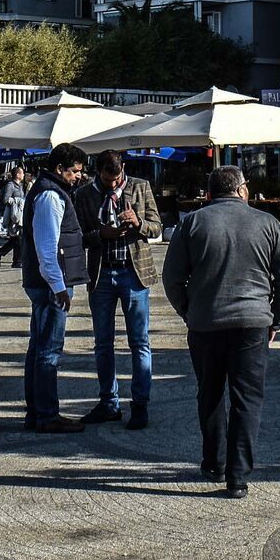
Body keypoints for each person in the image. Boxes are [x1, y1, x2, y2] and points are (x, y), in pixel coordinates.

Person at [161, 165, 280, 498]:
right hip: (253, 324)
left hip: (205, 323)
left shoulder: (191, 224)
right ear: (242, 190)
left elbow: (172, 278)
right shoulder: (268, 224)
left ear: (209, 193)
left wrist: (188, 311)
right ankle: (238, 478)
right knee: (247, 399)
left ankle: (213, 462)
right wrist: (274, 320)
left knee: (209, 394)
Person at [74, 150, 162, 429]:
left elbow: (157, 226)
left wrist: (139, 223)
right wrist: (101, 234)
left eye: (117, 178)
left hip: (133, 273)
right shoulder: (85, 195)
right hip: (101, 275)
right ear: (97, 172)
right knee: (103, 343)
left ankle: (140, 404)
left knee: (139, 342)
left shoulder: (140, 187)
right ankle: (108, 402)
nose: (113, 184)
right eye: (107, 179)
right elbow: (77, 236)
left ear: (123, 169)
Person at [20, 144, 89, 433]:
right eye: (74, 171)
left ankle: (37, 412)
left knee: (39, 348)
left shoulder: (49, 190)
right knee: (48, 350)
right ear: (60, 168)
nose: (78, 177)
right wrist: (59, 287)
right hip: (50, 284)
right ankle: (46, 414)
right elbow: (47, 248)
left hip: (45, 282)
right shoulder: (50, 195)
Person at [0, 163, 28, 267]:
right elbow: (6, 199)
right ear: (17, 174)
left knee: (16, 238)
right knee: (18, 238)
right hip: (12, 216)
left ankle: (0, 253)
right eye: (22, 173)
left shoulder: (20, 186)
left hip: (18, 214)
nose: (23, 175)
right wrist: (18, 201)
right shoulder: (10, 185)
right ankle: (16, 261)